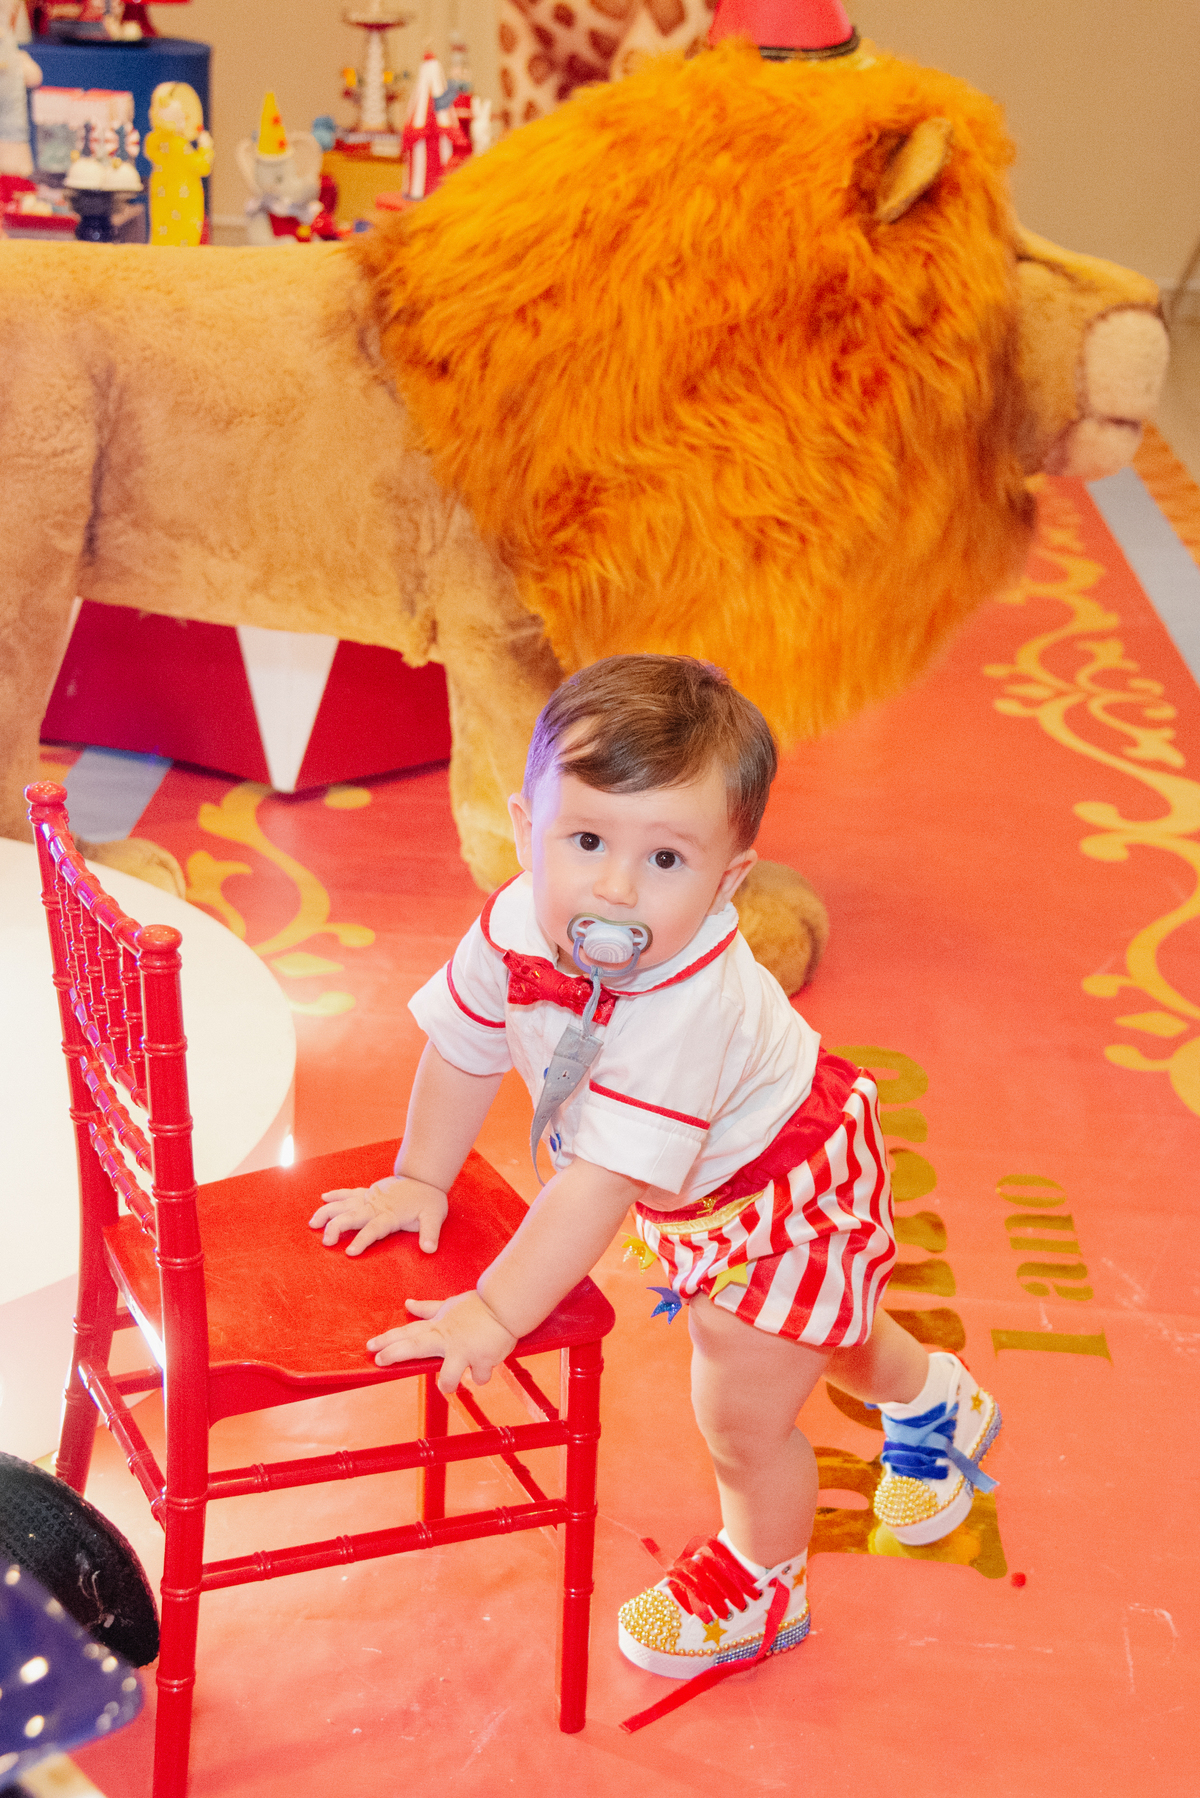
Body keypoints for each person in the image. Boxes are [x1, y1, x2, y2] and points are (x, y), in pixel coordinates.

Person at [309, 655, 1001, 1682]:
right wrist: (420, 1176)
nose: (615, 888)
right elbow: (463, 1044)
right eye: (585, 840)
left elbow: (594, 1185)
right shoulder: (514, 925)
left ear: (729, 878)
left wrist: (493, 1314)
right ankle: (938, 1402)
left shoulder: (686, 1003)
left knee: (743, 1407)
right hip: (696, 1193)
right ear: (524, 826)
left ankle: (766, 1582)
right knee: (827, 1330)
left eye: (666, 860)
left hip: (782, 1191)